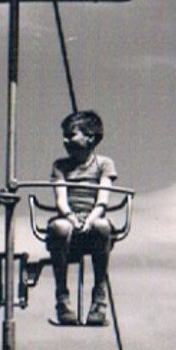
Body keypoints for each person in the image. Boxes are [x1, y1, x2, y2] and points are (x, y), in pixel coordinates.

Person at [46, 109, 117, 326]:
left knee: (102, 227)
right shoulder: (60, 166)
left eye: (71, 135)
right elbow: (60, 198)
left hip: (93, 217)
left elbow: (103, 199)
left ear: (90, 138)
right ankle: (62, 296)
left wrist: (89, 219)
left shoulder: (104, 164)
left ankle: (99, 295)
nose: (66, 140)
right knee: (60, 228)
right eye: (65, 136)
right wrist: (71, 217)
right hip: (68, 218)